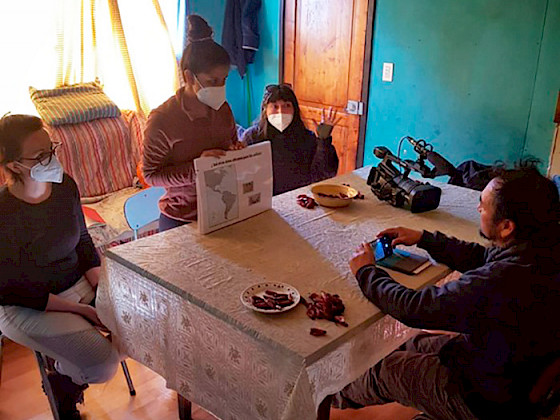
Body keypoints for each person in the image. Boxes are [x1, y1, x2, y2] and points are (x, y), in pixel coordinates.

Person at [337, 165, 560, 419]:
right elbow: (483, 257)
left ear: (507, 226)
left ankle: (322, 399)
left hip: (486, 397)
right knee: (408, 343)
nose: (478, 210)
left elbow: (415, 307)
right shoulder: (541, 249)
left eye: (483, 206)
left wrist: (366, 272)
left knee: (387, 370)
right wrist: (424, 238)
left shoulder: (505, 280)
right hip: (512, 368)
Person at [0, 114, 120, 419]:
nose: (52, 160)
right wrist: (82, 311)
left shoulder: (64, 186)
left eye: (52, 149)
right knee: (103, 364)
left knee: (139, 328)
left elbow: (82, 241)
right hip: (26, 305)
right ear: (14, 165)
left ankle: (65, 378)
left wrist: (101, 289)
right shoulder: (4, 213)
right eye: (41, 156)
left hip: (74, 281)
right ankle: (63, 380)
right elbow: (12, 288)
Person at [142, 15, 244, 232]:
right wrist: (198, 168)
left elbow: (231, 145)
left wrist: (236, 151)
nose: (220, 87)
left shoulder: (222, 108)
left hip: (224, 208)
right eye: (212, 81)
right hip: (181, 218)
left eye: (224, 79)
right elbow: (151, 175)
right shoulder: (162, 120)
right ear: (189, 77)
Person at [241, 84, 339, 195]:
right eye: (275, 106)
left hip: (299, 199)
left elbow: (324, 174)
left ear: (294, 109)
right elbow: (242, 175)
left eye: (287, 106)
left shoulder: (307, 137)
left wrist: (323, 141)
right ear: (265, 109)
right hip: (263, 201)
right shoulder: (252, 137)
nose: (281, 112)